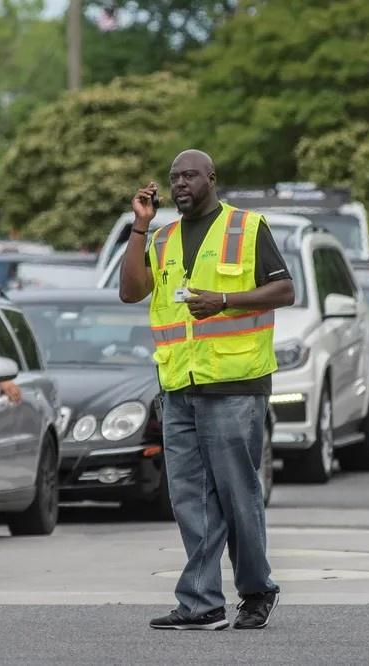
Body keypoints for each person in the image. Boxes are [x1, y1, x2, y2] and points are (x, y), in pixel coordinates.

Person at [120, 149, 294, 631]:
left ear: (211, 179)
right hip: (179, 387)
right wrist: (139, 226)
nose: (181, 184)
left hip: (235, 385)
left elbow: (285, 291)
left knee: (238, 496)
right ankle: (201, 603)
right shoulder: (162, 237)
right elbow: (131, 291)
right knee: (189, 500)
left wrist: (224, 300)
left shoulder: (246, 228)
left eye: (190, 176)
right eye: (174, 177)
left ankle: (257, 591)